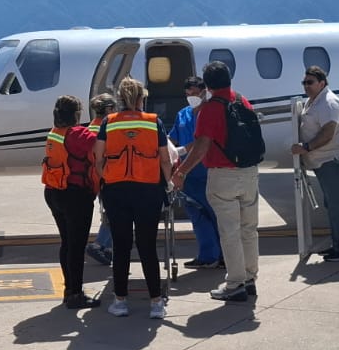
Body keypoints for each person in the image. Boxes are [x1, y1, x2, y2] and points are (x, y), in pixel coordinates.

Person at [170, 60, 258, 303]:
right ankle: (250, 279)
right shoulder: (243, 101)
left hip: (223, 175)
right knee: (248, 230)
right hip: (249, 173)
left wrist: (181, 172)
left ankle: (235, 284)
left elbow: (201, 147)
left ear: (207, 86)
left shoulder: (210, 109)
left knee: (229, 231)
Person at [93, 77, 173, 319]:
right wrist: (168, 183)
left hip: (116, 190)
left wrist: (106, 177)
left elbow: (98, 157)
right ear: (141, 99)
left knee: (121, 245)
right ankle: (156, 302)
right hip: (148, 190)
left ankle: (120, 301)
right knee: (147, 245)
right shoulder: (153, 122)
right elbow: (165, 159)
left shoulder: (108, 122)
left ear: (119, 99)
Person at [290, 66, 339, 263]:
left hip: (334, 160)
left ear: (322, 83)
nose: (306, 86)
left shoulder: (328, 102)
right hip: (324, 161)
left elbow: (328, 132)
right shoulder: (314, 101)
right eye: (304, 82)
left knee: (338, 205)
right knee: (332, 204)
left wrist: (306, 147)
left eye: (310, 82)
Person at [40, 94, 100, 309]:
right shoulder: (78, 134)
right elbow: (103, 144)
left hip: (53, 192)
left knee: (67, 243)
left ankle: (69, 290)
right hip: (75, 196)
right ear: (76, 114)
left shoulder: (55, 132)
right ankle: (76, 294)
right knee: (77, 246)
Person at [168, 74, 223, 269]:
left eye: (194, 93)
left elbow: (203, 143)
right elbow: (173, 138)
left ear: (204, 92)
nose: (191, 97)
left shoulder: (210, 113)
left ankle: (224, 256)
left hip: (207, 172)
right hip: (187, 176)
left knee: (216, 215)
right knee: (197, 217)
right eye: (187, 94)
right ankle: (208, 255)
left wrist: (184, 150)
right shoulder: (183, 114)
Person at [84, 92, 117, 266]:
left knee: (110, 211)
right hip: (105, 177)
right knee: (113, 213)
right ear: (109, 109)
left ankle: (109, 249)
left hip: (96, 177)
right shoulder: (104, 129)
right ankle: (99, 244)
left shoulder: (92, 126)